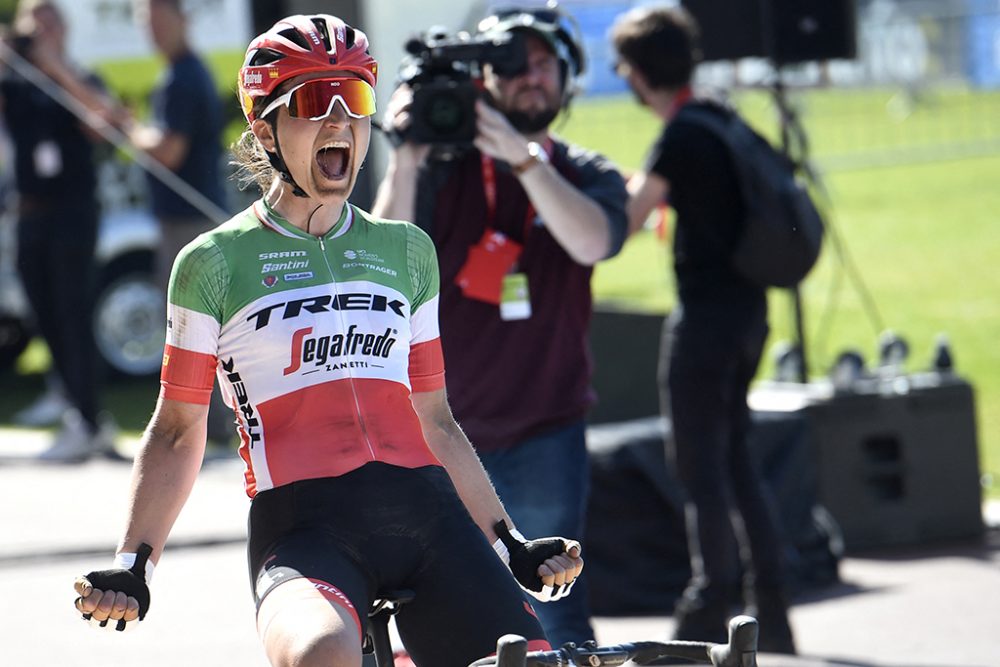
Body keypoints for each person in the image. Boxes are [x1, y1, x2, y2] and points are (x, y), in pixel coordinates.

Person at [72, 14, 583, 667]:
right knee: (321, 655)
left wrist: (513, 542)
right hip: (305, 531)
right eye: (316, 101)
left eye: (357, 99)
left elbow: (437, 419)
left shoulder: (406, 249)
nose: (341, 121)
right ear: (265, 130)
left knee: (527, 660)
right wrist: (132, 565)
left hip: (432, 518)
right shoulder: (213, 263)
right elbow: (176, 431)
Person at [372, 3, 628, 649]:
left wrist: (520, 156)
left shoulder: (583, 171)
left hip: (545, 431)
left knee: (556, 604)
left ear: (569, 80)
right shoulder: (439, 170)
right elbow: (378, 266)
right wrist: (406, 156)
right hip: (441, 434)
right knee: (439, 609)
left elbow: (592, 240)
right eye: (513, 68)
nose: (529, 79)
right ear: (484, 79)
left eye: (544, 66)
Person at [610, 4, 796, 654]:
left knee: (699, 468)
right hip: (750, 315)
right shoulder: (717, 117)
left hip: (707, 323)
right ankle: (770, 604)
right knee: (738, 457)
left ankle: (706, 603)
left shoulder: (680, 136)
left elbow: (624, 224)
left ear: (637, 73)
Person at [0, 0, 118, 461]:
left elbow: (104, 125)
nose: (41, 33)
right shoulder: (17, 81)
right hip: (29, 212)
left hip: (73, 212)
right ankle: (74, 409)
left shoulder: (80, 76)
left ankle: (91, 418)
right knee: (44, 314)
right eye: (34, 26)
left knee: (74, 312)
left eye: (50, 24)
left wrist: (55, 66)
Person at [126, 0, 232, 446]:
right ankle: (212, 430)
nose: (151, 31)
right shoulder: (185, 72)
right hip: (187, 218)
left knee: (195, 331)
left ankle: (205, 431)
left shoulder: (185, 76)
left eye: (156, 20)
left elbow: (170, 151)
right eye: (144, 22)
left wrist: (129, 130)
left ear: (180, 18)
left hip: (190, 222)